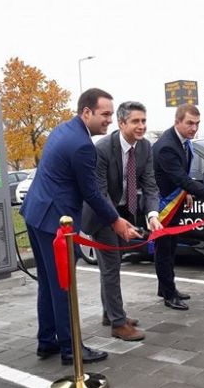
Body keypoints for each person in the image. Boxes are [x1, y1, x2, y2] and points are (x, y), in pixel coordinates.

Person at [20, 88, 140, 365]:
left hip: (36, 214)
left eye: (111, 114)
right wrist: (117, 222)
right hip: (54, 223)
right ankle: (71, 349)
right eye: (105, 114)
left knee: (48, 284)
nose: (109, 120)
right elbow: (92, 193)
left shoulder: (63, 129)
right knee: (64, 286)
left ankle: (47, 341)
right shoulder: (82, 145)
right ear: (87, 112)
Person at [82, 101, 162, 341]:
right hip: (102, 213)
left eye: (144, 121)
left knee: (113, 264)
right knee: (110, 266)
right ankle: (118, 324)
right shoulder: (103, 149)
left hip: (125, 211)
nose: (141, 126)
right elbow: (101, 192)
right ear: (121, 123)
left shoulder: (145, 147)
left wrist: (153, 215)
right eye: (136, 121)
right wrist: (115, 220)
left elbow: (150, 185)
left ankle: (110, 313)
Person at [153, 104, 204, 310]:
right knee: (164, 250)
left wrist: (186, 192)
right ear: (177, 122)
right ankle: (169, 294)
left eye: (197, 124)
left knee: (171, 248)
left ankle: (166, 287)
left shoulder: (183, 142)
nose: (194, 128)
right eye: (189, 123)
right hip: (163, 205)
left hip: (176, 200)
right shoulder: (167, 147)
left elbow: (182, 176)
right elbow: (182, 179)